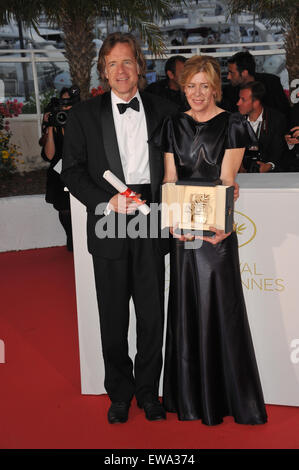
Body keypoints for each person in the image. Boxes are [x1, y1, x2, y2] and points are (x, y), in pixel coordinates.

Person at [61, 32, 178, 424]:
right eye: (113, 64)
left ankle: (148, 392)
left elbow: (183, 161)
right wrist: (106, 200)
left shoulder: (165, 110)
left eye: (127, 61)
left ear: (140, 66)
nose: (121, 70)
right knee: (112, 315)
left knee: (151, 314)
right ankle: (120, 392)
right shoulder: (82, 116)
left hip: (150, 215)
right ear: (104, 71)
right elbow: (72, 173)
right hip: (109, 216)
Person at [154, 55, 267, 425]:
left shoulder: (233, 124)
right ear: (181, 87)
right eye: (190, 86)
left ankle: (224, 398)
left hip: (216, 233)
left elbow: (226, 181)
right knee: (185, 305)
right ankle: (188, 398)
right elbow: (170, 178)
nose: (197, 93)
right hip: (183, 233)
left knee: (221, 307)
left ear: (216, 87)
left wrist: (223, 224)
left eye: (204, 86)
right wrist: (172, 219)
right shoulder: (173, 124)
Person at [40, 87, 79, 251]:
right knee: (64, 209)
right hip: (58, 173)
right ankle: (71, 239)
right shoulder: (55, 122)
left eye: (68, 102)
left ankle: (80, 239)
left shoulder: (80, 120)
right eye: (62, 103)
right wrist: (50, 126)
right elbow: (49, 155)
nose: (65, 107)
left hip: (78, 171)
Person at [222, 51, 290, 121]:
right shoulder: (228, 92)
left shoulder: (271, 83)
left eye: (231, 73)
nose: (228, 77)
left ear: (244, 73)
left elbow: (285, 112)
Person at [237, 81, 288, 173]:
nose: (238, 103)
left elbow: (279, 151)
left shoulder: (276, 119)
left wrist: (269, 165)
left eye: (243, 99)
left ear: (256, 103)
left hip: (271, 177)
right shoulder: (234, 121)